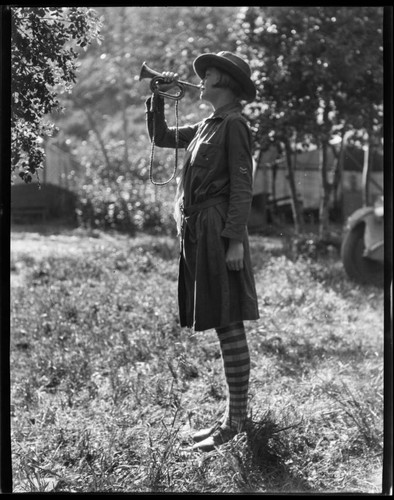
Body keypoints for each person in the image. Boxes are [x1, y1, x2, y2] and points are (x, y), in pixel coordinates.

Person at [145, 51, 260, 452]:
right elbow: (161, 137)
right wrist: (158, 96)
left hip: (217, 232)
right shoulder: (207, 126)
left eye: (208, 77)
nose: (201, 82)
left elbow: (242, 189)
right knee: (222, 320)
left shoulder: (234, 127)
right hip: (199, 231)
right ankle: (233, 417)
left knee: (229, 322)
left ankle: (236, 422)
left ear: (224, 85)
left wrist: (234, 242)